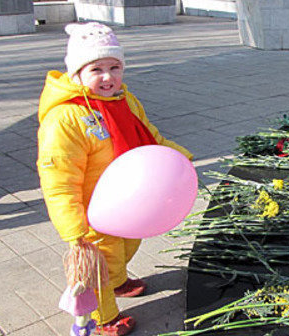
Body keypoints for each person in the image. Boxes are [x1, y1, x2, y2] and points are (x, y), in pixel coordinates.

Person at [37, 22, 193, 336]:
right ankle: (103, 318)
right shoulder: (65, 118)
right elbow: (59, 179)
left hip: (131, 201)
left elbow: (150, 138)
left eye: (115, 67)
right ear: (77, 72)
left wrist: (180, 156)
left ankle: (119, 282)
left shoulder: (126, 101)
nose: (108, 77)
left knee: (129, 244)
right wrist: (73, 228)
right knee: (101, 265)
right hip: (93, 211)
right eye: (97, 69)